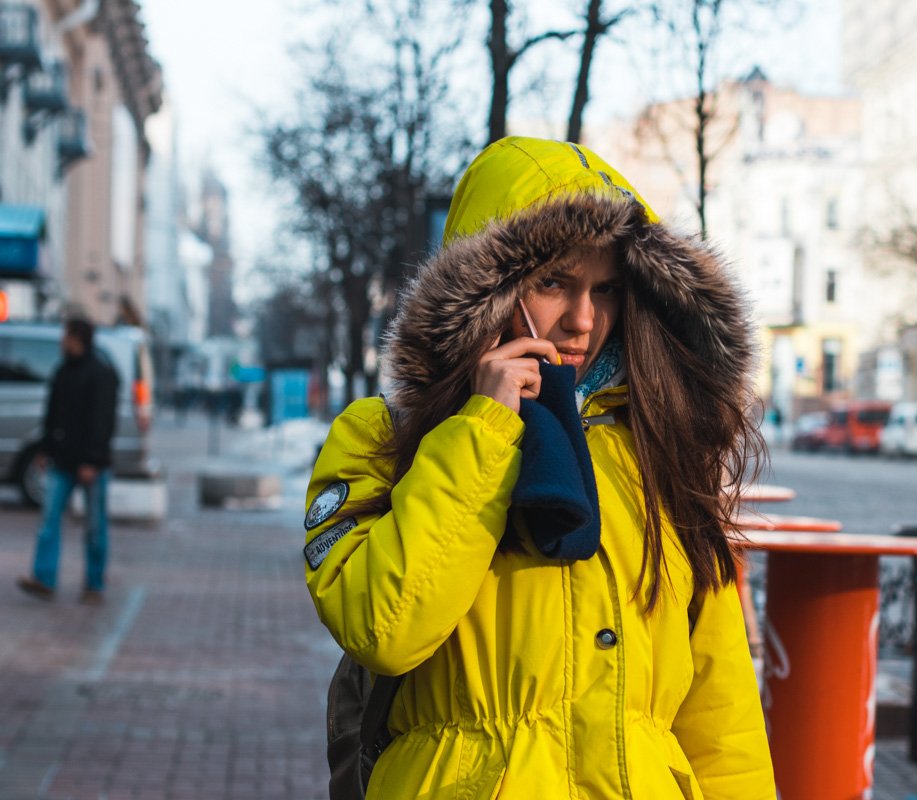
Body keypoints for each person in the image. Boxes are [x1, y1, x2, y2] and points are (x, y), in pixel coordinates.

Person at [304, 137, 775, 799]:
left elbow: (721, 717)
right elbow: (385, 627)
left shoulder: (660, 450)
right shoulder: (380, 439)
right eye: (554, 282)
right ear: (488, 288)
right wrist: (485, 428)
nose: (584, 319)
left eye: (607, 289)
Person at [18, 316, 119, 605]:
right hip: (61, 461)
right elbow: (52, 415)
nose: (62, 340)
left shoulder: (100, 373)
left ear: (78, 338)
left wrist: (92, 461)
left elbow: (102, 423)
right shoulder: (63, 371)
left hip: (91, 465)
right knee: (49, 521)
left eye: (66, 335)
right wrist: (44, 450)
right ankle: (44, 578)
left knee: (95, 526)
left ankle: (94, 584)